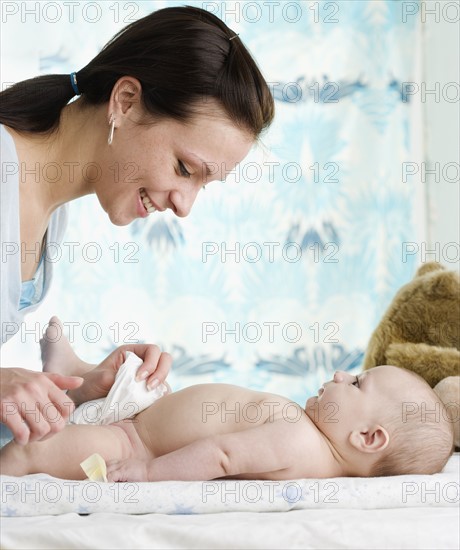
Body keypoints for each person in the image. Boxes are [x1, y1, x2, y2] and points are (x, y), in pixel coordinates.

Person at [0, 6, 275, 445]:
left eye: (206, 185)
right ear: (124, 102)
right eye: (185, 168)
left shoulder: (52, 210)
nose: (185, 206)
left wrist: (79, 390)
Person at [0, 335, 454, 480]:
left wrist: (149, 474)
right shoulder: (309, 436)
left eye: (356, 383)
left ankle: (14, 462)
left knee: (37, 447)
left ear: (368, 437)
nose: (339, 375)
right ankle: (72, 371)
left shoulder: (299, 443)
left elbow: (221, 456)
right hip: (147, 416)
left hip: (133, 443)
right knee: (139, 374)